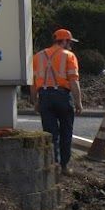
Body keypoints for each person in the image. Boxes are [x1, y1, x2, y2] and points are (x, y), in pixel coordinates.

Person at [31, 27, 83, 174]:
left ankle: (52, 165)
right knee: (66, 131)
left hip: (45, 97)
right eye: (70, 42)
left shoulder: (38, 56)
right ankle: (64, 166)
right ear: (65, 41)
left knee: (50, 133)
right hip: (62, 96)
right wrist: (78, 102)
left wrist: (35, 101)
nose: (71, 45)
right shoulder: (69, 56)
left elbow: (33, 83)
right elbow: (74, 81)